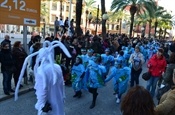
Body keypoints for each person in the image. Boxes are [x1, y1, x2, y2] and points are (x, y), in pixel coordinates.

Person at [15, 41, 71, 115]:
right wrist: (62, 96)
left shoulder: (41, 70)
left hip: (48, 107)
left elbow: (42, 92)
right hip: (58, 101)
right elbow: (61, 84)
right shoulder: (57, 67)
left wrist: (41, 106)